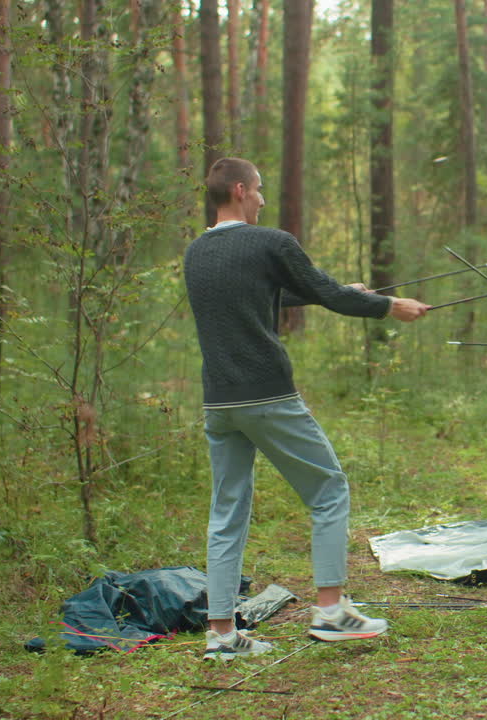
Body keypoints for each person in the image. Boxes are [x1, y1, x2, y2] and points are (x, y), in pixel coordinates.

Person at [184, 157, 430, 659]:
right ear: (239, 189)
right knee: (329, 490)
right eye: (258, 191)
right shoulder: (270, 240)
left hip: (219, 401)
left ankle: (222, 635)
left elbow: (271, 295)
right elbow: (319, 289)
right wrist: (389, 305)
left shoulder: (195, 253)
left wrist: (343, 294)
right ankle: (331, 611)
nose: (262, 199)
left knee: (226, 513)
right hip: (267, 393)